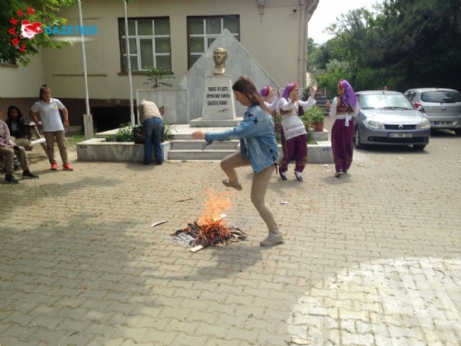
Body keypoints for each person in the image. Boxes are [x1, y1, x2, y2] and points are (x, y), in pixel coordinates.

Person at [191, 76, 283, 247]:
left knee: (257, 199)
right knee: (225, 163)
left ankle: (276, 233)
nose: (236, 99)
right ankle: (235, 184)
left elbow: (237, 132)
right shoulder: (252, 109)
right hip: (253, 153)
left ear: (245, 93)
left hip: (266, 159)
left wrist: (207, 135)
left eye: (237, 95)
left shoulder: (257, 114)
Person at [278, 82, 317, 182]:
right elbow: (285, 107)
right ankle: (282, 169)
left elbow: (307, 105)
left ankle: (298, 171)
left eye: (297, 90)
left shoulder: (297, 102)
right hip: (288, 130)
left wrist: (313, 92)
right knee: (289, 151)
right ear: (290, 91)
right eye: (295, 90)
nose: (297, 91)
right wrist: (293, 101)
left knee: (302, 150)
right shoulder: (283, 100)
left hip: (300, 129)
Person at [29, 84, 73, 171]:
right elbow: (31, 112)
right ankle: (53, 163)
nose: (47, 95)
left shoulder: (55, 101)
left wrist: (66, 119)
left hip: (59, 127)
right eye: (45, 93)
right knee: (50, 146)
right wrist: (37, 123)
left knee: (62, 146)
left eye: (48, 93)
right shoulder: (39, 104)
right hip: (47, 128)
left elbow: (64, 109)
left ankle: (66, 163)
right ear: (41, 94)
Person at [326, 79, 359, 177]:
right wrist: (348, 113)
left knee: (338, 144)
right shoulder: (353, 100)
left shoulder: (337, 100)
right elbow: (356, 113)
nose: (337, 89)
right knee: (347, 144)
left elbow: (332, 115)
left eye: (338, 87)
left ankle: (339, 166)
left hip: (339, 124)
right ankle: (345, 166)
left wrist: (330, 108)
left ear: (342, 90)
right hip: (349, 125)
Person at [0, 117, 39, 184]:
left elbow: (8, 138)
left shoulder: (3, 123)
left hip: (5, 145)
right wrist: (8, 147)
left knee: (20, 149)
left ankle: (26, 172)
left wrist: (13, 145)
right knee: (10, 151)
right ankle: (9, 175)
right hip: (1, 146)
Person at [138, 99, 164, 165]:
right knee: (158, 140)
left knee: (148, 140)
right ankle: (159, 159)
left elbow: (141, 115)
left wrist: (142, 123)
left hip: (148, 120)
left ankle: (147, 160)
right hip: (158, 120)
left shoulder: (141, 105)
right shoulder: (152, 103)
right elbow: (158, 112)